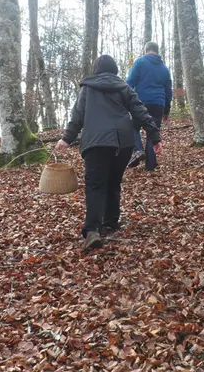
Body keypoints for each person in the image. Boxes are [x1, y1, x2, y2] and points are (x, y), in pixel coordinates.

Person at [56, 55, 163, 251]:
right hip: (123, 142)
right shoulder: (124, 87)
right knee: (114, 182)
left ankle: (92, 230)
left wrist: (66, 138)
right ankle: (110, 222)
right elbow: (141, 111)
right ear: (114, 70)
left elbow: (77, 116)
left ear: (96, 69)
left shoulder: (88, 88)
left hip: (96, 142)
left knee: (96, 185)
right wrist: (154, 137)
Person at [126, 41, 172, 171]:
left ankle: (138, 150)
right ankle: (150, 165)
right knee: (152, 132)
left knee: (132, 126)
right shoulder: (164, 68)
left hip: (141, 102)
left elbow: (129, 83)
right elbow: (168, 91)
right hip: (159, 104)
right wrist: (166, 110)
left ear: (145, 50)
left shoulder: (140, 62)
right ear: (157, 51)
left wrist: (126, 100)